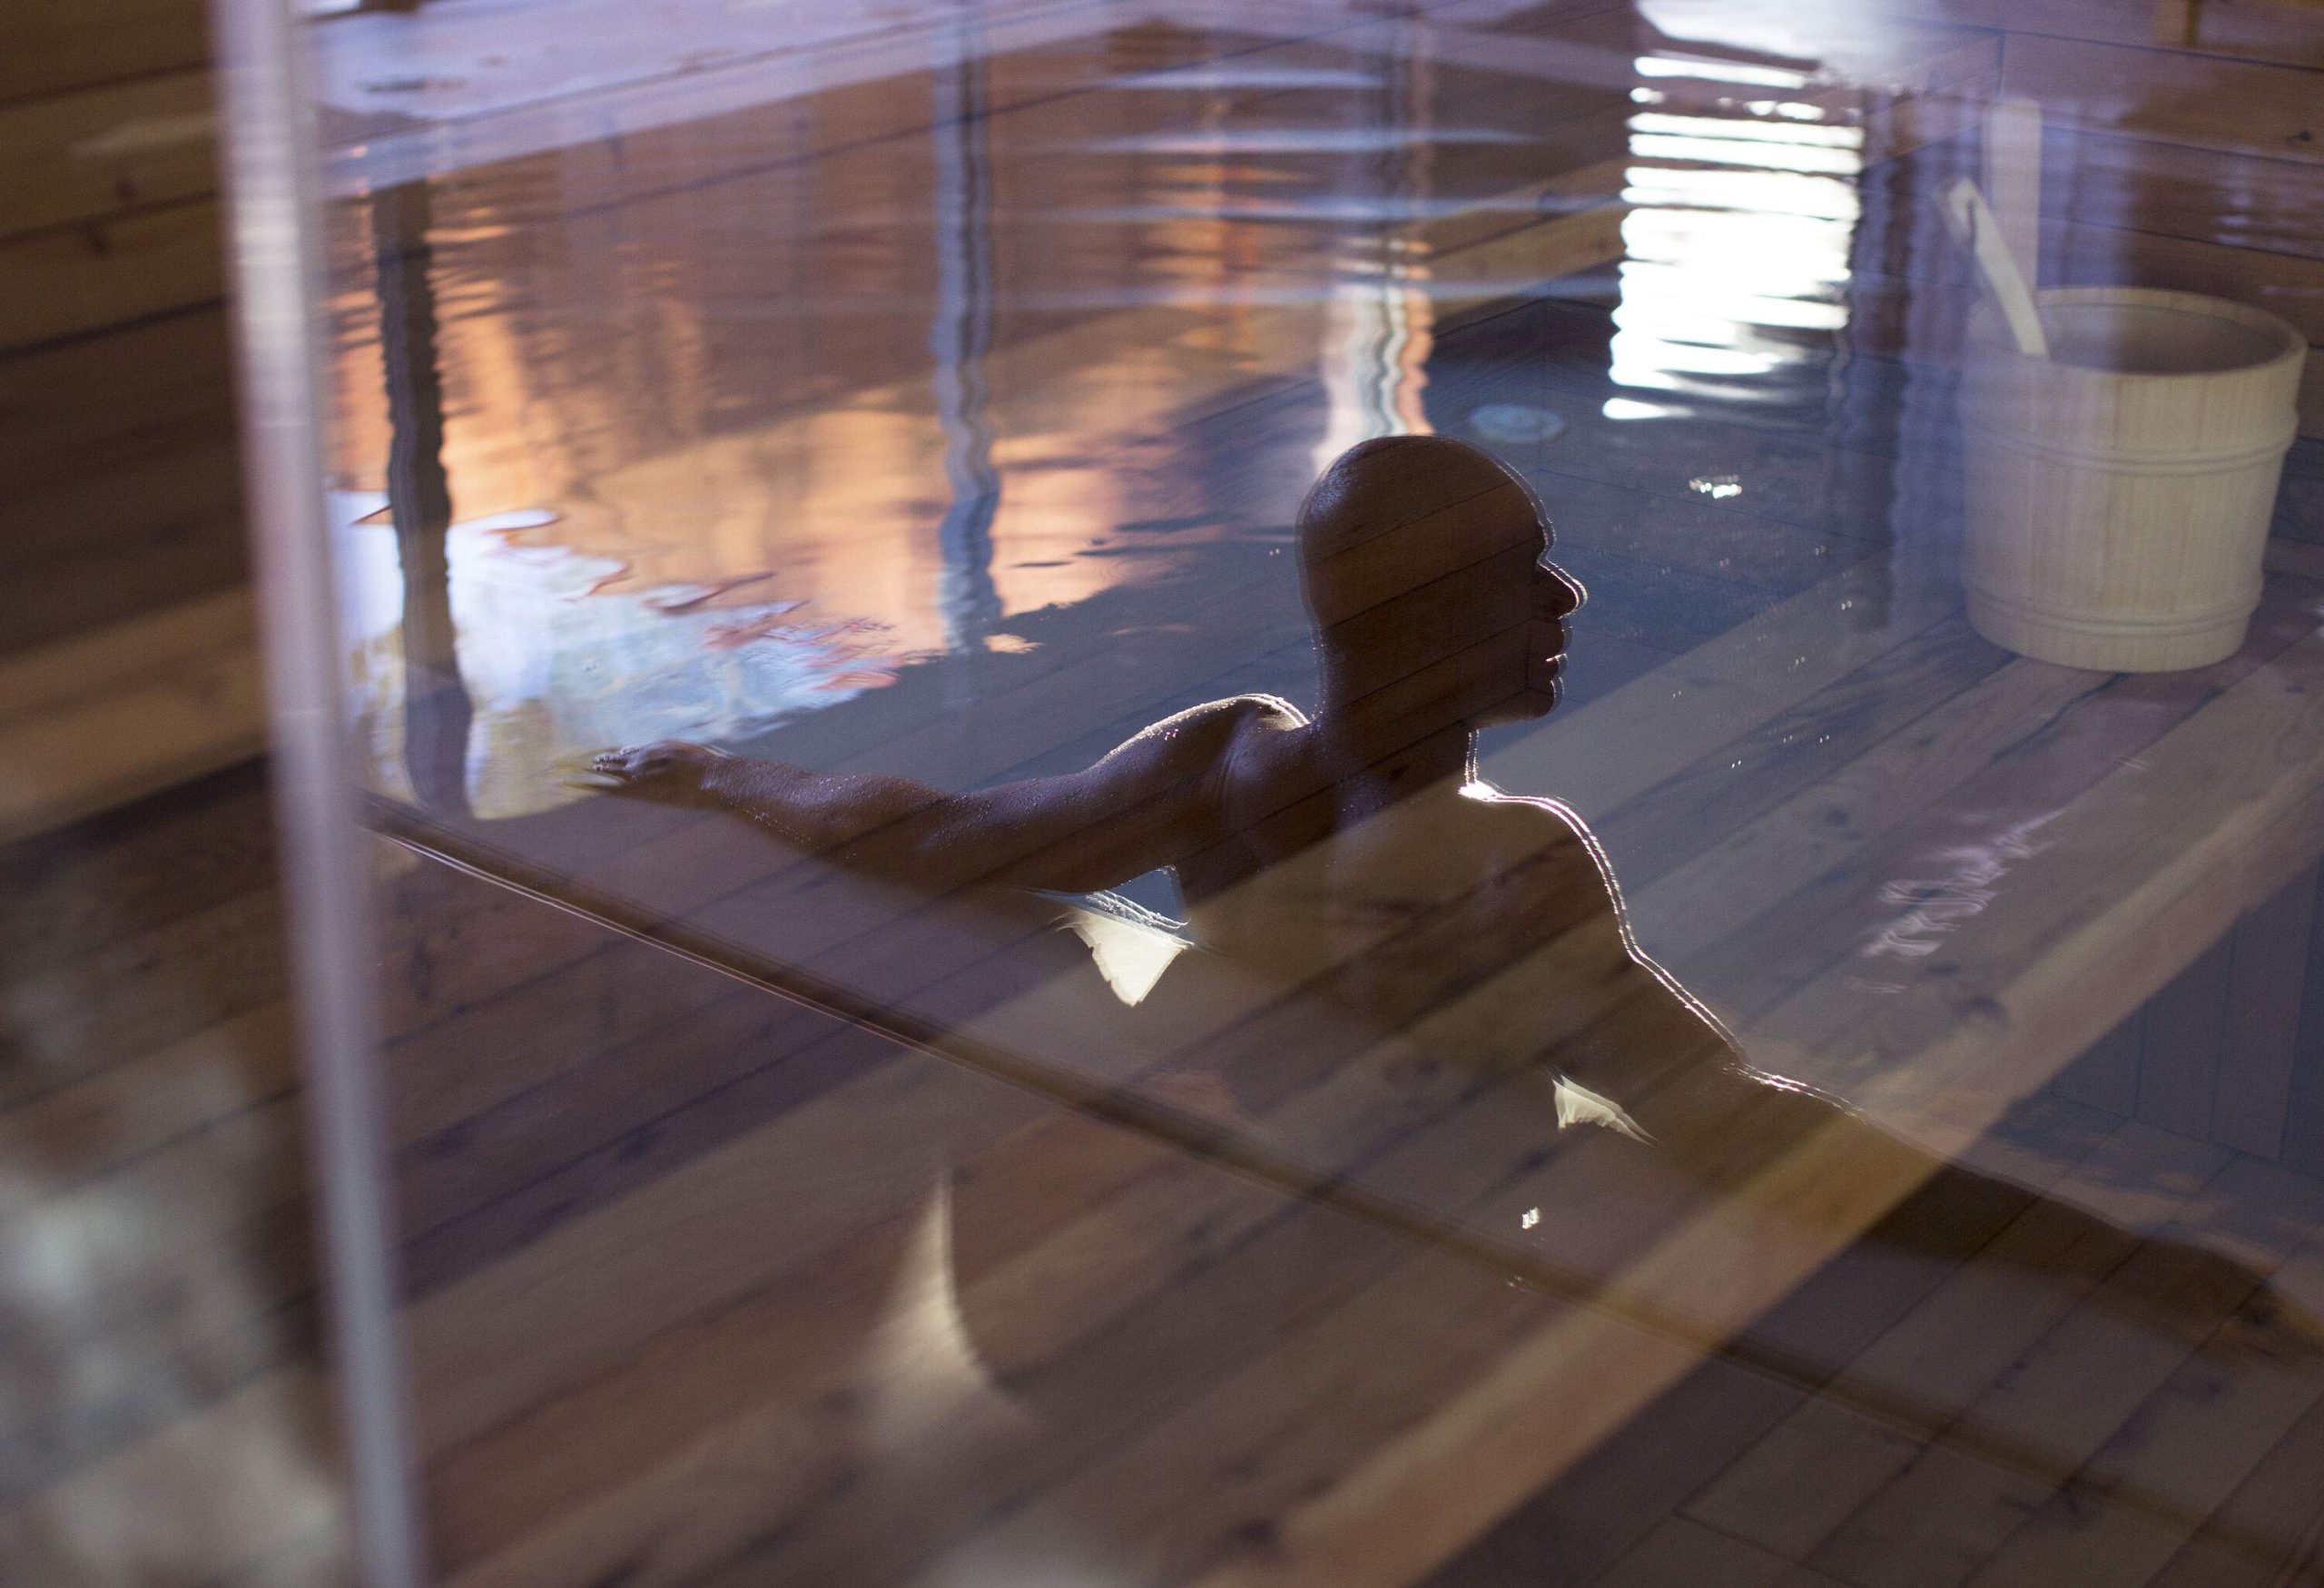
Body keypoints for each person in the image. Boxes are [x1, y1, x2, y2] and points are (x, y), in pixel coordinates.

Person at [589, 435, 2320, 1357]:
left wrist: (723, 768)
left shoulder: (1215, 767)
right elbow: (1737, 1122)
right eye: (1517, 578)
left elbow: (942, 835)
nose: (1567, 597)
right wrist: (2113, 1253)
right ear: (1417, 624)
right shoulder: (1518, 868)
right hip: (1349, 1290)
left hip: (1205, 1242)